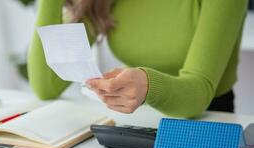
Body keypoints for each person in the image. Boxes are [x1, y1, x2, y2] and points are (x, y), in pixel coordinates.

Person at [27, 0, 248, 118]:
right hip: (134, 120)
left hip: (209, 120)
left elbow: (199, 91)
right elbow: (46, 85)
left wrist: (148, 84)